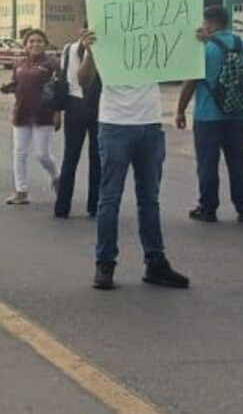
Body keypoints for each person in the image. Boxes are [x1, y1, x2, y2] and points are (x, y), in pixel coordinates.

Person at [78, 29, 190, 291]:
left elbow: (185, 65)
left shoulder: (157, 37)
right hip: (115, 124)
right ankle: (104, 262)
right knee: (109, 199)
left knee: (149, 199)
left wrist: (196, 43)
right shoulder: (105, 36)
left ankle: (155, 262)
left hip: (150, 124)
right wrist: (90, 51)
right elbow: (84, 80)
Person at [176, 6, 243, 223]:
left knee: (208, 163)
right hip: (236, 113)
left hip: (208, 115)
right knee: (238, 160)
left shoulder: (204, 49)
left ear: (209, 23)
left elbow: (190, 83)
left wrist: (180, 110)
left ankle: (208, 208)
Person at [0, 29, 61, 205]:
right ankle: (21, 190)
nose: (35, 44)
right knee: (19, 152)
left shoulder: (52, 64)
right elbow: (17, 84)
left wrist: (58, 112)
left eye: (39, 41)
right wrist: (8, 88)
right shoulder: (19, 64)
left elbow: (59, 91)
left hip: (44, 113)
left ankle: (56, 176)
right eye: (31, 41)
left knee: (43, 154)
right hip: (22, 112)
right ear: (25, 45)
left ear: (46, 44)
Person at [53, 33, 102, 218]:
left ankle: (64, 206)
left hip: (82, 105)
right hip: (85, 105)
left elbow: (62, 78)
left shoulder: (68, 48)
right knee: (82, 157)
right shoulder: (70, 49)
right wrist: (57, 111)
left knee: (76, 157)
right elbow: (61, 78)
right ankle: (92, 205)